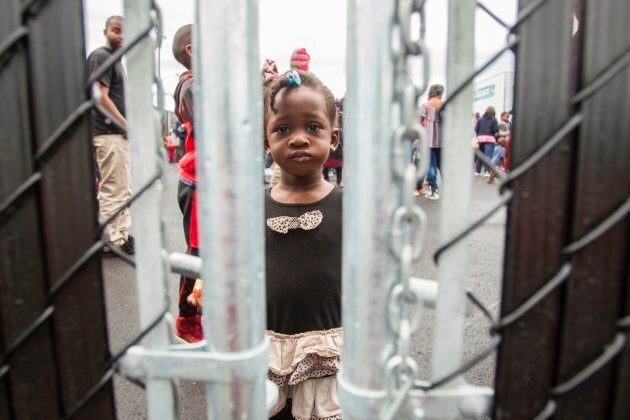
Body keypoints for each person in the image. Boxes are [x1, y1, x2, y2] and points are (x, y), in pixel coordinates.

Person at [264, 70, 342, 420]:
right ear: (267, 141)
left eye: (313, 127)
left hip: (328, 355)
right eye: (283, 129)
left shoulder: (350, 206)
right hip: (267, 355)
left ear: (333, 137)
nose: (298, 139)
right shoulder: (252, 206)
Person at [87, 16, 135, 256]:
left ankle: (121, 234)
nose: (121, 36)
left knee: (122, 187)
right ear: (105, 31)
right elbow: (100, 96)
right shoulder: (101, 57)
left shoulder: (115, 61)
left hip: (116, 133)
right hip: (107, 132)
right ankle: (111, 240)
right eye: (116, 31)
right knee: (114, 187)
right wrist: (125, 124)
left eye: (125, 32)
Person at [171, 24, 203, 343]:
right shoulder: (192, 85)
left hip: (213, 179)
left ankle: (207, 308)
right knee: (198, 252)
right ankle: (187, 318)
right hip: (199, 183)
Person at [419, 84, 444, 200]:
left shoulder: (425, 106)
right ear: (439, 93)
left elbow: (419, 121)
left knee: (431, 164)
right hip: (442, 140)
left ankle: (434, 190)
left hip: (428, 139)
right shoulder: (444, 105)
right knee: (442, 164)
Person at [474, 106, 499, 177]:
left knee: (480, 156)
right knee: (488, 156)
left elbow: (476, 129)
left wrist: (480, 135)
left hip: (480, 139)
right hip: (490, 139)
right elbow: (495, 130)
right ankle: (487, 171)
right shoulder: (494, 120)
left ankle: (477, 171)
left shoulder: (480, 119)